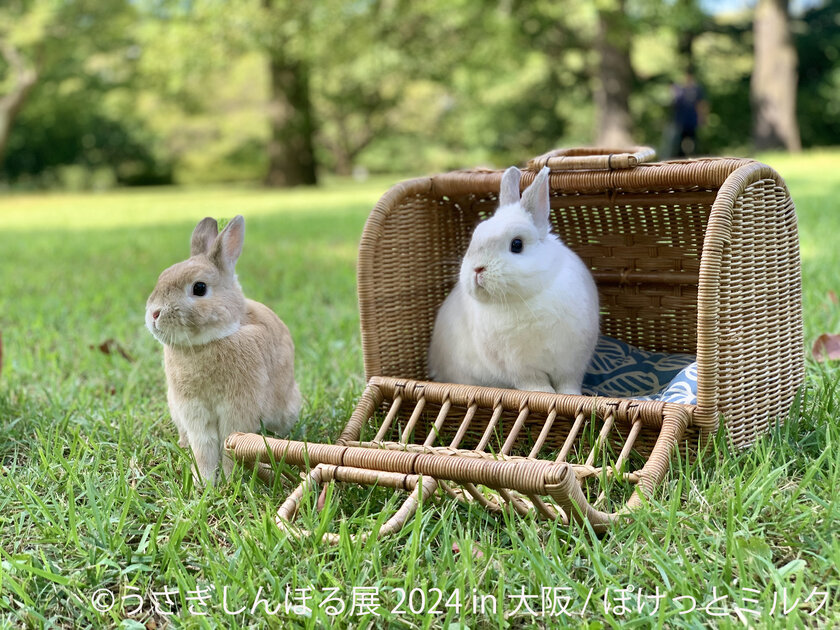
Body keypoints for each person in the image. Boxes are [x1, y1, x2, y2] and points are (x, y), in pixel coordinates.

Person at [669, 71, 708, 158]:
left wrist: (702, 118)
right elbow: (675, 105)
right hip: (681, 120)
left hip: (692, 120)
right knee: (679, 142)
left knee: (693, 140)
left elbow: (701, 104)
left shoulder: (697, 89)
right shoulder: (680, 90)